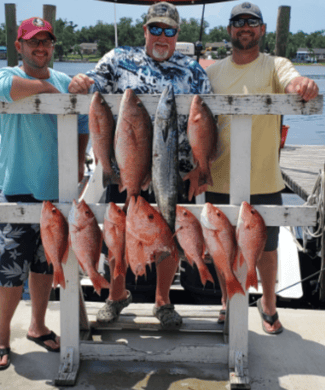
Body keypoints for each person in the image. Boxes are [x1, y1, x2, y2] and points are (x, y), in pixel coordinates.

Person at [69, 2, 212, 329]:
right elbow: (92, 86)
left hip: (175, 172)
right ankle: (115, 295)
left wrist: (202, 169)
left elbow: (208, 122)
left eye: (170, 30)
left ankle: (163, 301)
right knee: (118, 234)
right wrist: (79, 83)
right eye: (156, 28)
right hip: (125, 168)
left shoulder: (193, 70)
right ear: (145, 30)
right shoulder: (118, 59)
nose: (162, 36)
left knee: (168, 236)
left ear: (177, 34)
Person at [205, 2, 319, 334]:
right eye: (238, 22)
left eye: (252, 22)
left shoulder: (275, 64)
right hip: (219, 176)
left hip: (266, 177)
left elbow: (292, 82)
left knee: (267, 248)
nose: (245, 27)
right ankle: (228, 300)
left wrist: (303, 87)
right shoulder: (212, 72)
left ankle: (268, 304)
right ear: (229, 30)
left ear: (263, 29)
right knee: (222, 246)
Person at [0, 17, 89, 370]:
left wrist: (78, 162)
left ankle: (38, 326)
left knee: (47, 265)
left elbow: (83, 123)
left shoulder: (66, 82)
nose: (40, 48)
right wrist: (46, 90)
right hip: (15, 190)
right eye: (33, 42)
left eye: (46, 42)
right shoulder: (4, 76)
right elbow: (3, 91)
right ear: (19, 46)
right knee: (10, 268)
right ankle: (2, 338)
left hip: (56, 193)